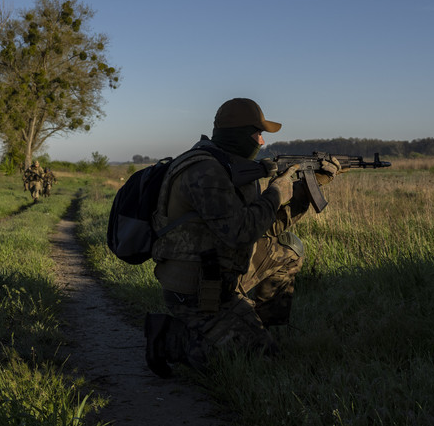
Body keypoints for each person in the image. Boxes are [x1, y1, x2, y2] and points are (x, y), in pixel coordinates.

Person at [144, 97, 342, 377]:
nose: (261, 143)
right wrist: (275, 194)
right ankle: (169, 337)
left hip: (222, 273)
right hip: (196, 290)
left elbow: (267, 228)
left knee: (289, 250)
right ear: (237, 135)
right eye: (256, 134)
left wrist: (308, 188)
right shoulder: (205, 171)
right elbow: (239, 233)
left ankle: (248, 324)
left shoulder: (231, 168)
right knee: (258, 363)